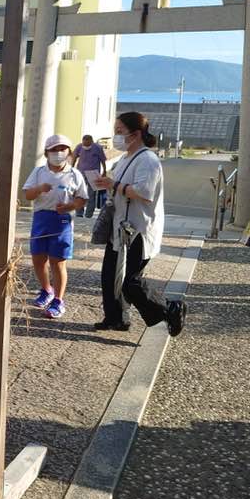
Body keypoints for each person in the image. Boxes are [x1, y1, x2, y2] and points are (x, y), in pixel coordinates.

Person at [93, 112, 187, 335]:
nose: (116, 137)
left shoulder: (148, 160)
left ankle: (170, 308)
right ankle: (115, 318)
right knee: (110, 276)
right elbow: (120, 187)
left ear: (135, 134)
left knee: (131, 282)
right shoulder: (125, 158)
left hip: (138, 230)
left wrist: (114, 185)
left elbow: (144, 192)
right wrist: (107, 184)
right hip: (120, 227)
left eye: (119, 132)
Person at [22, 134, 88, 319]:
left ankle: (59, 300)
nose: (58, 153)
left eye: (62, 149)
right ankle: (46, 290)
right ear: (46, 153)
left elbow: (82, 199)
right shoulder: (39, 172)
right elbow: (27, 195)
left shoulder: (74, 174)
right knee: (38, 258)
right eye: (54, 150)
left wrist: (70, 206)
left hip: (62, 220)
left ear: (68, 152)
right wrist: (39, 189)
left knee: (58, 261)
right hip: (41, 218)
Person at [73, 134, 108, 218]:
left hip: (93, 173)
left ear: (92, 142)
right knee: (79, 192)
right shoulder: (79, 147)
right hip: (81, 173)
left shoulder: (98, 148)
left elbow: (103, 160)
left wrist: (104, 171)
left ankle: (89, 214)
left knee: (91, 195)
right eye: (84, 144)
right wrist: (71, 169)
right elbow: (74, 157)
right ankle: (79, 212)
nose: (86, 146)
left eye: (88, 144)